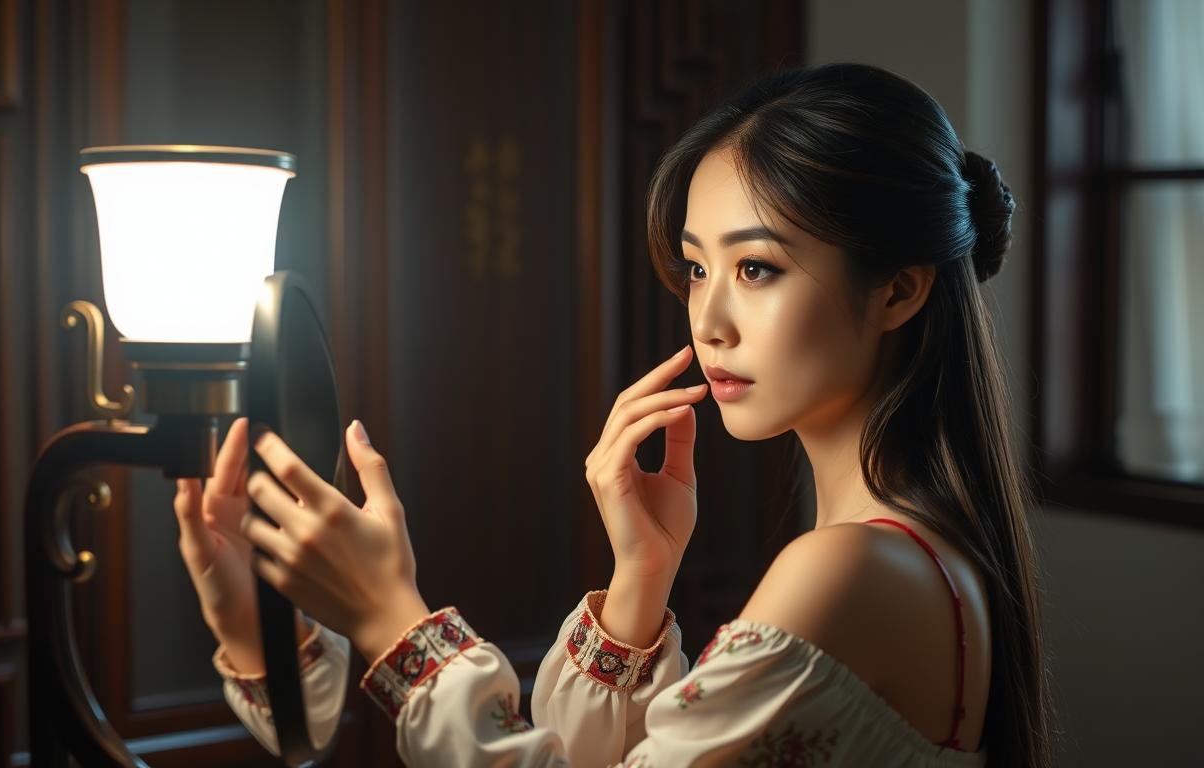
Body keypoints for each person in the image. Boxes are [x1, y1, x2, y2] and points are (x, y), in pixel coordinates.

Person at [173, 62, 1051, 767]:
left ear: (899, 288)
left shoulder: (851, 569)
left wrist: (393, 623)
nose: (707, 322)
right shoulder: (918, 555)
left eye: (757, 269)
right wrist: (641, 577)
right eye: (697, 269)